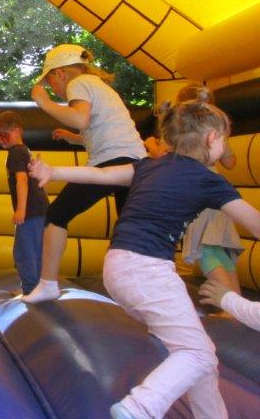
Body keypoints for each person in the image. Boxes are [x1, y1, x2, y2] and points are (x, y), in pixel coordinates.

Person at [29, 98, 260, 419]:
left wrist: (53, 171)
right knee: (196, 353)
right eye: (225, 139)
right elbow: (255, 225)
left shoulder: (148, 166)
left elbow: (102, 175)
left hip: (119, 267)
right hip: (148, 271)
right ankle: (138, 407)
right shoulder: (208, 179)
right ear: (211, 139)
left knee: (200, 354)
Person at [22, 44, 146, 303]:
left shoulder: (77, 83)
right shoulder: (99, 86)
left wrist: (44, 102)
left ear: (59, 73)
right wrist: (75, 138)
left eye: (50, 82)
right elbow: (107, 128)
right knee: (129, 227)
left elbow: (80, 119)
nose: (53, 89)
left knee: (56, 214)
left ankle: (47, 284)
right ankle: (142, 288)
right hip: (136, 163)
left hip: (111, 161)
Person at [147, 85, 242, 305]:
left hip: (194, 191)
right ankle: (237, 300)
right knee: (217, 246)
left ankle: (229, 303)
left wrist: (151, 143)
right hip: (218, 191)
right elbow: (230, 162)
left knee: (204, 249)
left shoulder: (182, 131)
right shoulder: (215, 131)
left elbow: (162, 156)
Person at [0, 111, 49, 295]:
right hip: (40, 209)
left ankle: (30, 290)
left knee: (24, 252)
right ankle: (36, 288)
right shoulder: (24, 150)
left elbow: (22, 180)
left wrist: (21, 210)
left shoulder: (16, 153)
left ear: (17, 130)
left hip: (31, 211)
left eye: (4, 134)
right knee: (36, 250)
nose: (0, 139)